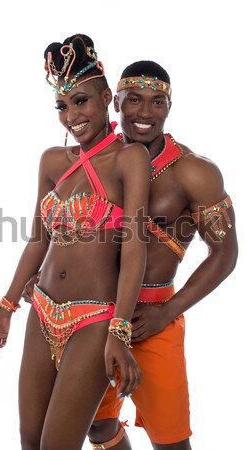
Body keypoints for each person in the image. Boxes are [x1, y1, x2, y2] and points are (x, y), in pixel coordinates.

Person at [0, 36, 151, 450]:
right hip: (41, 310)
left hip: (94, 321)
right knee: (30, 440)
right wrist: (6, 307)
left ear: (107, 97)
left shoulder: (130, 160)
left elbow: (134, 249)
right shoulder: (52, 162)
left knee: (58, 444)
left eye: (81, 101)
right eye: (62, 106)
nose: (72, 115)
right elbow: (37, 241)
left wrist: (120, 329)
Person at [85, 61, 238, 450]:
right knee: (97, 426)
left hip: (153, 317)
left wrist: (166, 314)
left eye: (157, 102)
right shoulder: (98, 161)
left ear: (169, 107)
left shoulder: (193, 172)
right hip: (95, 312)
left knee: (170, 441)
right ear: (114, 101)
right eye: (134, 100)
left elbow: (225, 254)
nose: (144, 113)